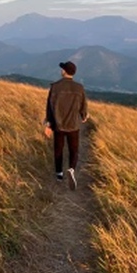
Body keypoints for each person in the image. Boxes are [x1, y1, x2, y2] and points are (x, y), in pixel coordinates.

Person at [43, 61, 89, 190]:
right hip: (73, 125)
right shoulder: (79, 88)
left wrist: (49, 124)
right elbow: (83, 106)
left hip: (58, 124)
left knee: (58, 149)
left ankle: (59, 174)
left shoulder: (55, 87)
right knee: (73, 150)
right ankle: (72, 169)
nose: (61, 70)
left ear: (64, 71)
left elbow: (50, 108)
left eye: (62, 68)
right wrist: (84, 116)